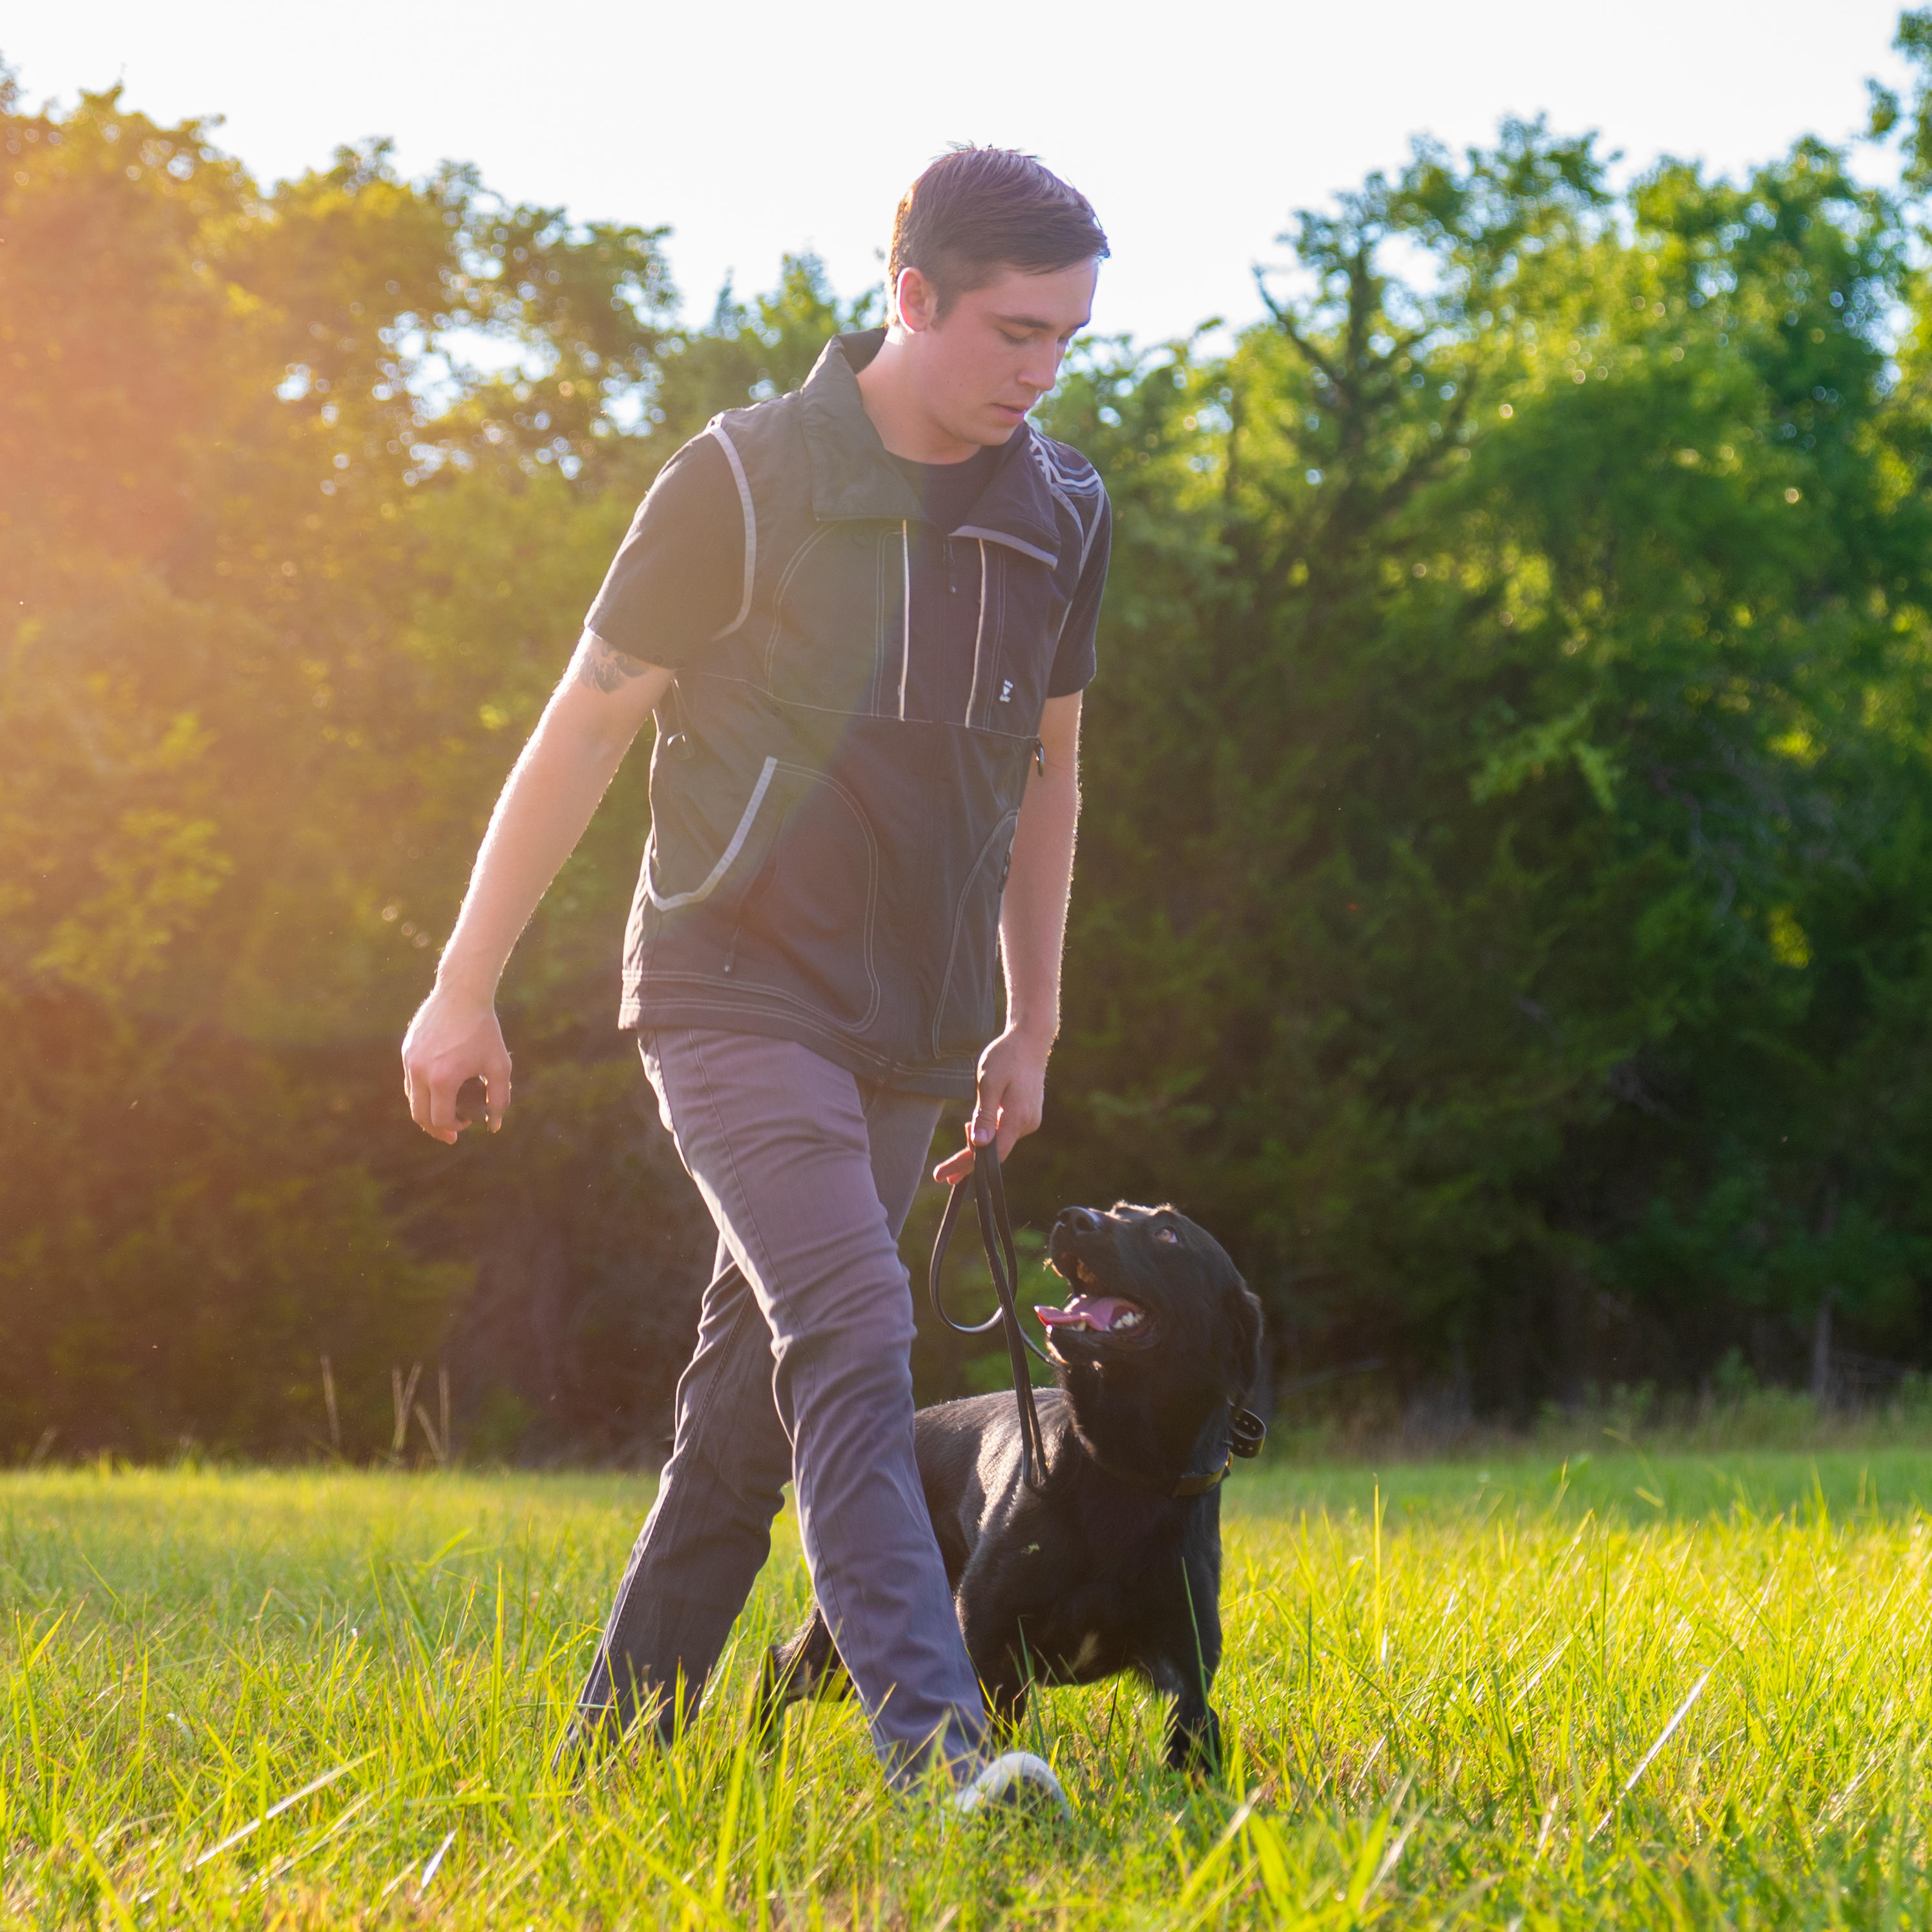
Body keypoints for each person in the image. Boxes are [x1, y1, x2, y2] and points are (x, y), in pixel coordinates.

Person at [400, 146, 1111, 1805]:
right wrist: (462, 983)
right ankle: (937, 1757)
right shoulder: (739, 481)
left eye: (1068, 338)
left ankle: (611, 1748)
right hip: (729, 990)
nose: (1041, 371)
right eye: (1012, 331)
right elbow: (583, 726)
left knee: (746, 1398)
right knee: (856, 1326)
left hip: (916, 1025)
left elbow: (1052, 770)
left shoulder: (1061, 511)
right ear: (909, 293)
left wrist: (1032, 1012)